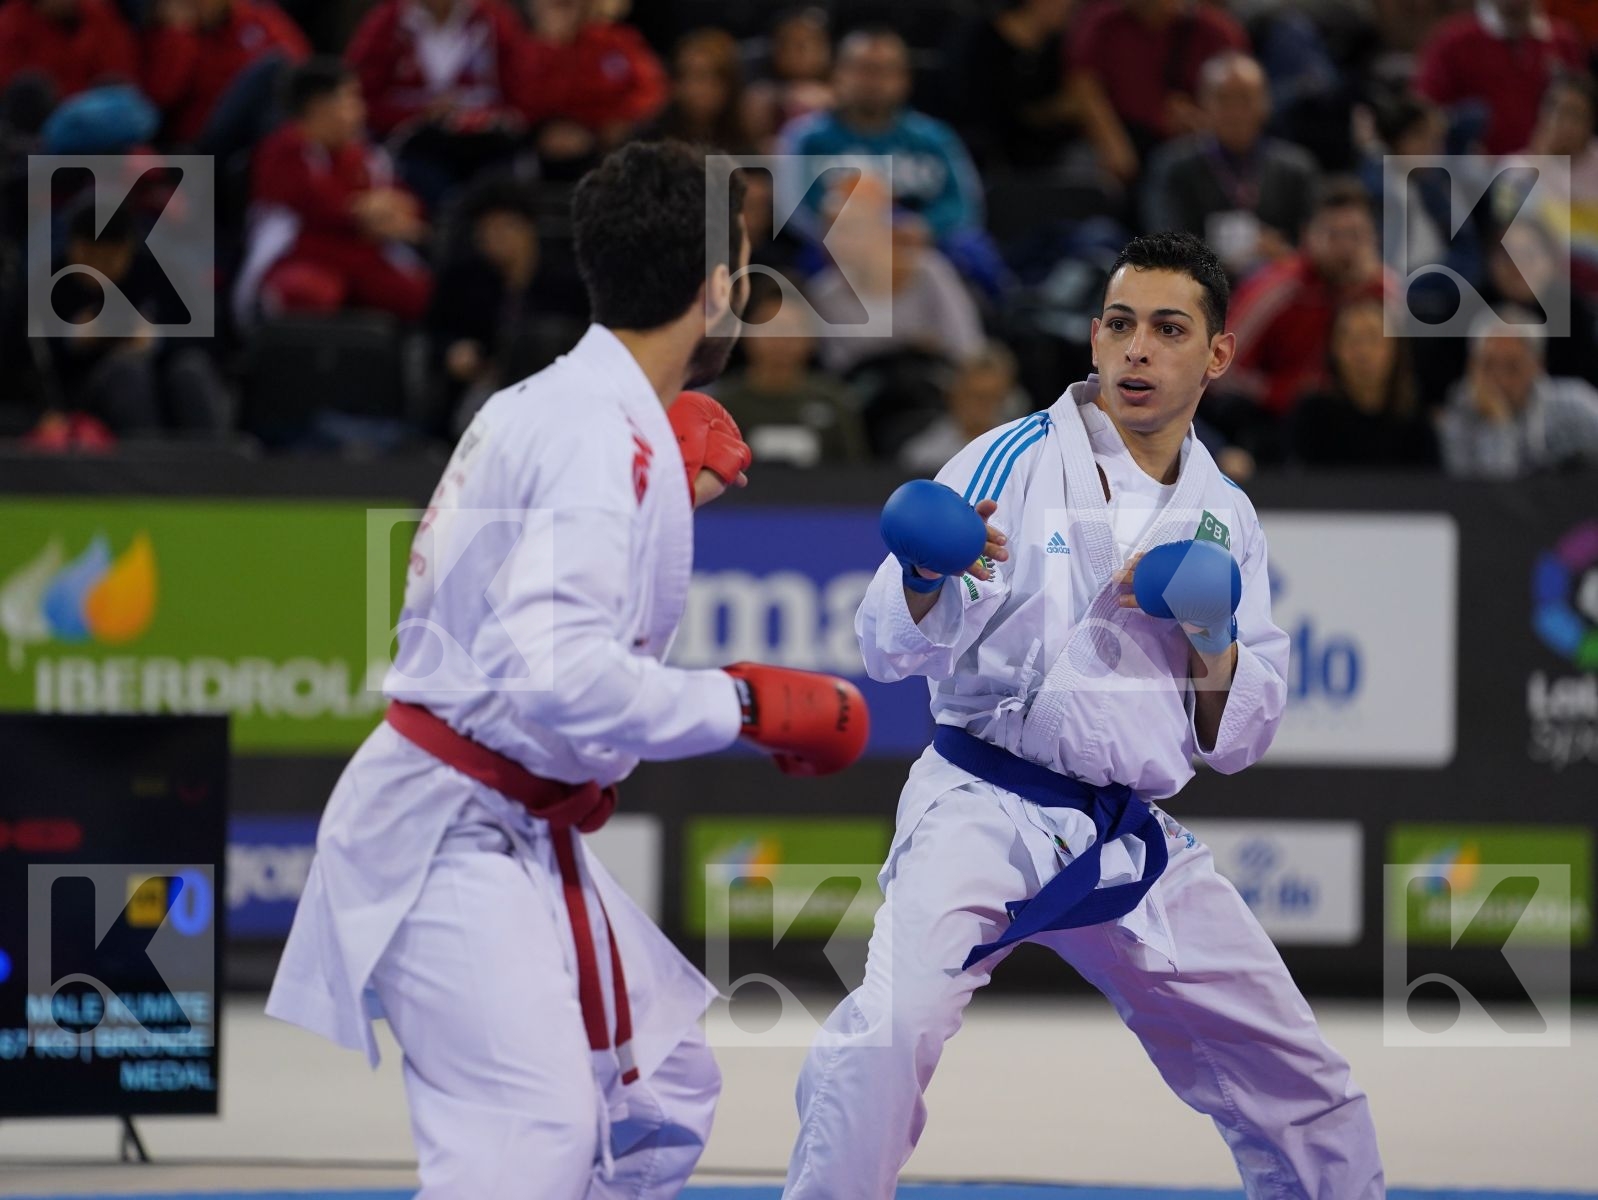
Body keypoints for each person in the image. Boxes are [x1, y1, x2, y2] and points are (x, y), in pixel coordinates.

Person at [266, 140, 870, 1198]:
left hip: (499, 820)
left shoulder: (553, 406)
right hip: (450, 834)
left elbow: (502, 609)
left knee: (661, 1087)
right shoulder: (602, 440)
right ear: (717, 286)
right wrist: (741, 703)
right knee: (531, 1137)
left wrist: (656, 495)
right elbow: (559, 676)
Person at [781, 230, 1384, 1199]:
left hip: (1129, 835)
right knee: (887, 1034)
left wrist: (1212, 630)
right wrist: (926, 576)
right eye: (1117, 324)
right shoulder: (1008, 460)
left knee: (1299, 1082)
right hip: (985, 806)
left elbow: (1234, 739)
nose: (1136, 349)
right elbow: (887, 648)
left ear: (1216, 356)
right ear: (1092, 339)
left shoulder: (1222, 514)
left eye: (1166, 329)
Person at [235, 58, 432, 324]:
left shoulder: (364, 155)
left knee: (419, 294)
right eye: (350, 100)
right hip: (301, 252)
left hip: (360, 253)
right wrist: (363, 213)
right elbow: (315, 204)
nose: (361, 111)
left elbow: (403, 203)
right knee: (306, 293)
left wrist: (388, 215)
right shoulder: (282, 149)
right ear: (319, 106)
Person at [1141, 52, 1317, 280]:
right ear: (1203, 104)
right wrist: (1221, 260)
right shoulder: (1172, 166)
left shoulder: (1296, 168)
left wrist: (1284, 254)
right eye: (1223, 99)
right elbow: (1164, 244)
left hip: (1279, 287)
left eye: (1245, 98)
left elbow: (1315, 245)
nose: (1235, 112)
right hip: (1198, 287)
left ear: (1266, 104)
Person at [1438, 307, 1598, 477]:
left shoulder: (1574, 407)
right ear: (1472, 366)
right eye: (1488, 365)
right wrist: (1499, 424)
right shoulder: (1461, 411)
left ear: (1537, 365)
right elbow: (1486, 495)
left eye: (1512, 367)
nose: (1500, 379)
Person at [1413, 0, 1584, 157]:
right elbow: (1425, 110)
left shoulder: (1563, 42)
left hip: (1549, 172)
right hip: (1471, 176)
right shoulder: (1452, 41)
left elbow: (1583, 111)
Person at [1287, 298, 1438, 467]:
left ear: (1396, 348)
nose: (1362, 352)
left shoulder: (1415, 421)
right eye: (1352, 340)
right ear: (1333, 349)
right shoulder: (1312, 417)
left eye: (1373, 338)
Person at [141, 0, 310, 147]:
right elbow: (159, 96)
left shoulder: (259, 19)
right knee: (272, 70)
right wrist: (178, 34)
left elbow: (300, 67)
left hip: (262, 132)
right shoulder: (170, 35)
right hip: (205, 139)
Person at [0, 0, 136, 100]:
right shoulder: (11, 25)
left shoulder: (101, 16)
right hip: (38, 122)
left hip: (97, 117)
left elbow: (121, 73)